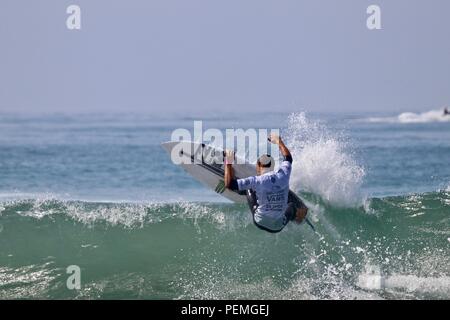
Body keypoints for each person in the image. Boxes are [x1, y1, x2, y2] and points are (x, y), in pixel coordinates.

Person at [223, 133, 308, 233]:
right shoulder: (284, 175)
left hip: (260, 221)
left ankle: (242, 192)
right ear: (273, 166)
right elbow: (288, 158)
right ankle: (298, 219)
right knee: (290, 203)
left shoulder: (255, 181)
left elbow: (229, 185)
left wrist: (228, 162)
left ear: (258, 166)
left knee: (249, 188)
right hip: (278, 226)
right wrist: (278, 141)